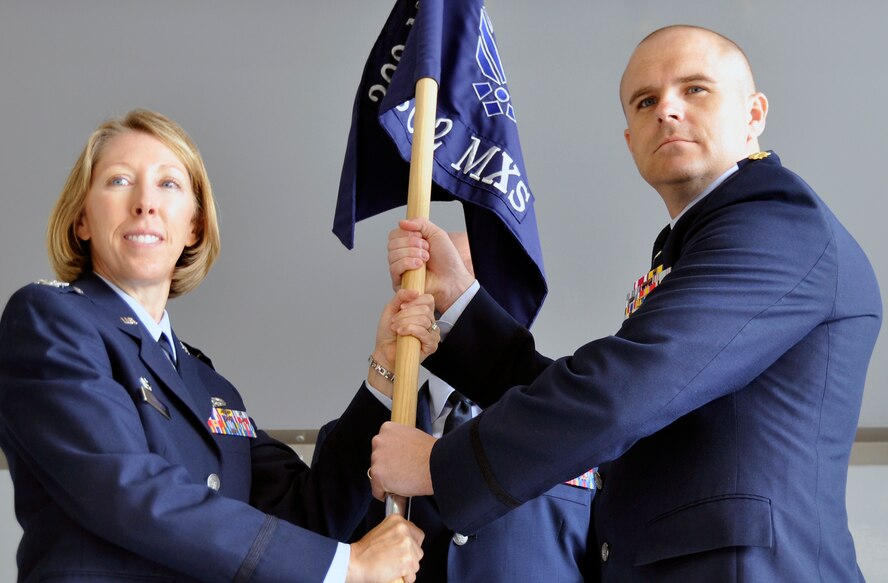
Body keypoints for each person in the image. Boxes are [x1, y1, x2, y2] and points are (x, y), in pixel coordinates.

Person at [369, 25, 882, 581]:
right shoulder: (696, 243)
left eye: (695, 90)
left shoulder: (776, 220)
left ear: (754, 114)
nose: (667, 110)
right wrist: (460, 303)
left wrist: (439, 466)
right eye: (646, 101)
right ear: (630, 139)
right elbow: (627, 399)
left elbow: (626, 389)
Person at [0, 109, 434, 582]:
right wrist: (347, 566)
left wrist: (384, 371)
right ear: (82, 219)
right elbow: (127, 490)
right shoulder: (49, 319)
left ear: (194, 227)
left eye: (169, 184)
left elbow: (303, 511)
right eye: (119, 180)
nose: (145, 203)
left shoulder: (205, 383)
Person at [316, 233, 595, 582]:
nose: (464, 294)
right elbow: (319, 557)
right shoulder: (358, 440)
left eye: (476, 284)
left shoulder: (578, 424)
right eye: (449, 276)